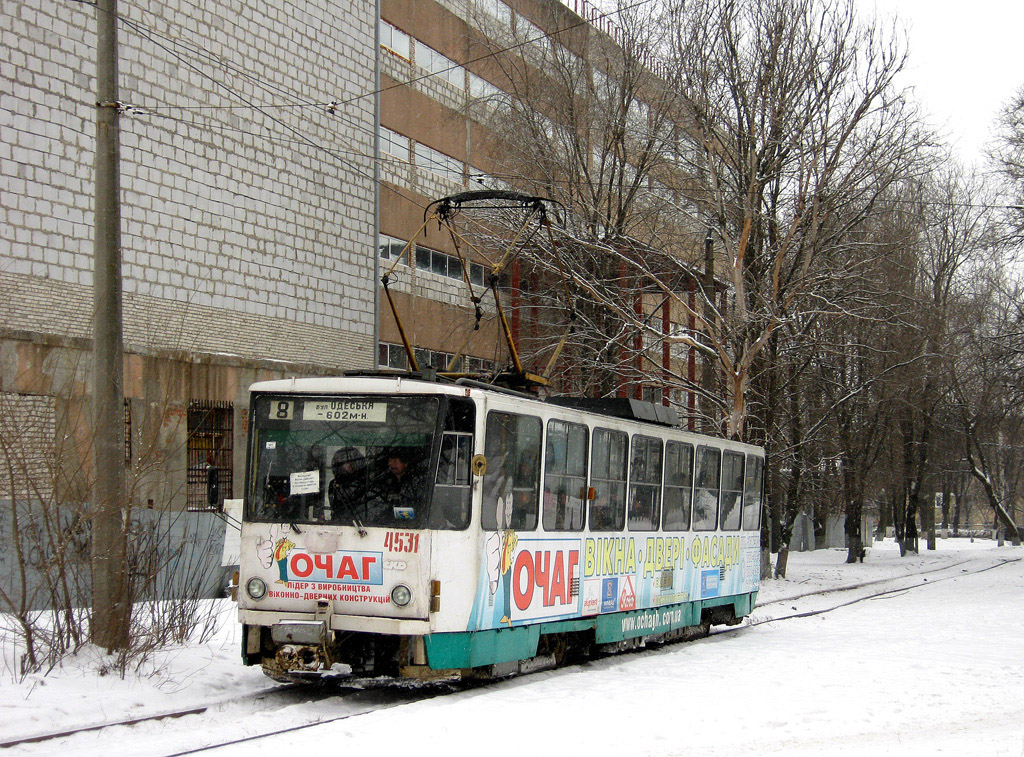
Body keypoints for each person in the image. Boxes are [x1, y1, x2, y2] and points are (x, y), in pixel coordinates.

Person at [328, 447, 366, 522]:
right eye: (346, 462)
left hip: (361, 523)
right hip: (339, 524)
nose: (350, 465)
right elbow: (335, 506)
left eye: (353, 462)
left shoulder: (363, 484)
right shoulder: (334, 484)